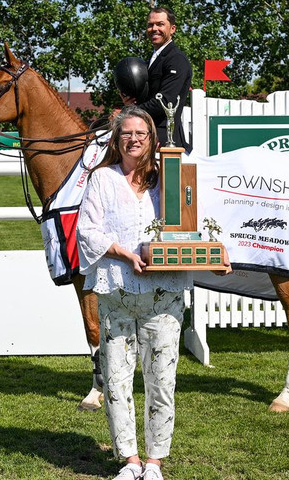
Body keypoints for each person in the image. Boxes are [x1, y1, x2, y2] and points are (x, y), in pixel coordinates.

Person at [77, 107, 191, 480]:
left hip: (164, 295)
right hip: (117, 293)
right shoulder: (101, 179)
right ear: (116, 138)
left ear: (152, 139)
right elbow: (87, 232)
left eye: (141, 132)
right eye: (126, 132)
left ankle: (155, 461)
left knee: (161, 381)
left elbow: (191, 224)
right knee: (116, 379)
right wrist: (124, 253)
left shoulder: (168, 182)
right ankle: (129, 459)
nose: (134, 138)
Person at [120, 7, 192, 151]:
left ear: (172, 29)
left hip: (164, 142)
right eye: (150, 25)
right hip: (143, 137)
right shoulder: (150, 60)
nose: (154, 28)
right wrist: (130, 102)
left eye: (160, 24)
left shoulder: (176, 60)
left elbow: (165, 102)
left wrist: (129, 112)